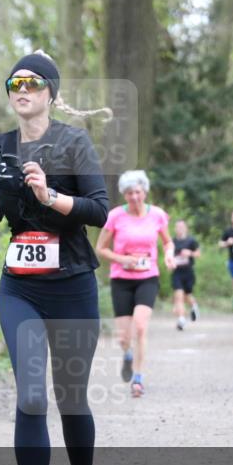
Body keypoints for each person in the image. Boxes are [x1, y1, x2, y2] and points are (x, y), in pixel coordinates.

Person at [0, 51, 110, 465]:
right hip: (21, 287)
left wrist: (51, 196)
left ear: (50, 92)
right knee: (31, 398)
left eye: (32, 83)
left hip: (73, 285)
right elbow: (2, 192)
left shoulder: (74, 143)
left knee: (71, 400)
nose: (21, 89)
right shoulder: (0, 146)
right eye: (14, 83)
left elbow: (99, 209)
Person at [95, 170, 174, 398]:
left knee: (140, 327)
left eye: (138, 192)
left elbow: (167, 242)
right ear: (124, 195)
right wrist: (123, 260)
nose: (134, 197)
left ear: (145, 191)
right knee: (124, 337)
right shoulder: (116, 216)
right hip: (121, 279)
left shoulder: (157, 215)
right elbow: (100, 248)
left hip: (148, 277)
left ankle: (138, 379)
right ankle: (127, 354)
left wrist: (169, 255)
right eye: (129, 193)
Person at [170, 220, 201, 330]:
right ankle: (181, 319)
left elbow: (198, 254)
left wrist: (190, 253)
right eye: (177, 227)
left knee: (187, 295)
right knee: (178, 296)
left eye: (182, 226)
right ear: (175, 229)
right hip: (177, 272)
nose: (179, 229)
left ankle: (194, 306)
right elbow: (169, 255)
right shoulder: (172, 242)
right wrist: (170, 263)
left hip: (188, 272)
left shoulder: (191, 241)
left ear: (186, 228)